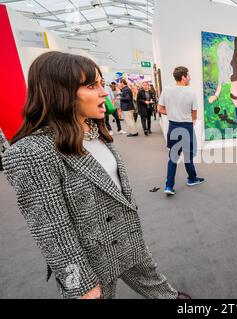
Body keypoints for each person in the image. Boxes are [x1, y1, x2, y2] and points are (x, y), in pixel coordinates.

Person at [2, 52, 190, 300]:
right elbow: (51, 231)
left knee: (168, 295)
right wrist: (80, 283)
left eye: (102, 83)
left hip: (130, 243)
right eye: (92, 85)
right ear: (61, 91)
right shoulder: (31, 152)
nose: (104, 92)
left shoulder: (95, 132)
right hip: (91, 264)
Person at [158, 66, 205, 195]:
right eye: (188, 75)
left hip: (173, 127)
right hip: (187, 127)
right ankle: (192, 178)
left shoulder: (167, 90)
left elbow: (160, 109)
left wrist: (172, 113)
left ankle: (168, 186)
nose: (190, 78)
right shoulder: (191, 92)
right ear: (183, 77)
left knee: (172, 158)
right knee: (188, 156)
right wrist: (188, 119)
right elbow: (194, 116)